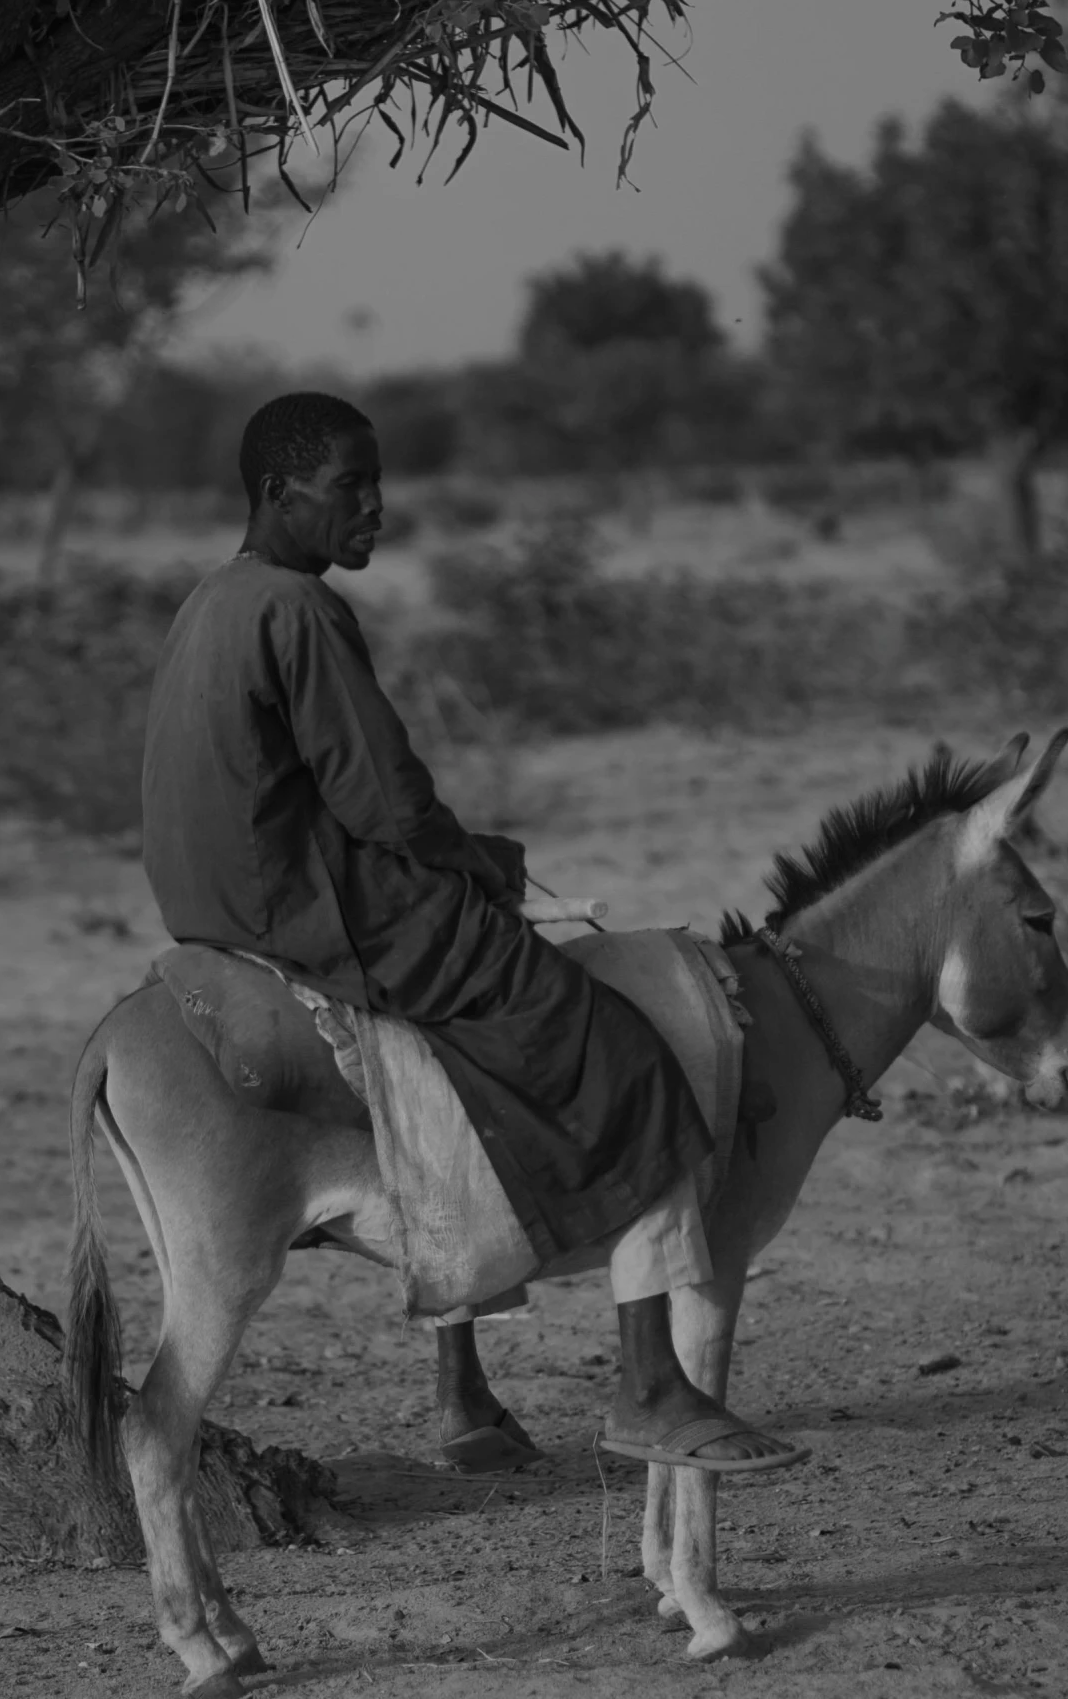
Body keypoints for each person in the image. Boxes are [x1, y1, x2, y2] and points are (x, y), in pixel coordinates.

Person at [139, 391, 794, 1470]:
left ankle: (466, 1384)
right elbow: (386, 802)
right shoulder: (298, 610)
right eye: (350, 486)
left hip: (226, 904)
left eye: (377, 483)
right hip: (322, 911)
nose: (376, 508)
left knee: (503, 1025)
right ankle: (647, 1387)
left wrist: (460, 850)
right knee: (626, 1062)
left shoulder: (210, 599)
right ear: (277, 493)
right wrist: (475, 858)